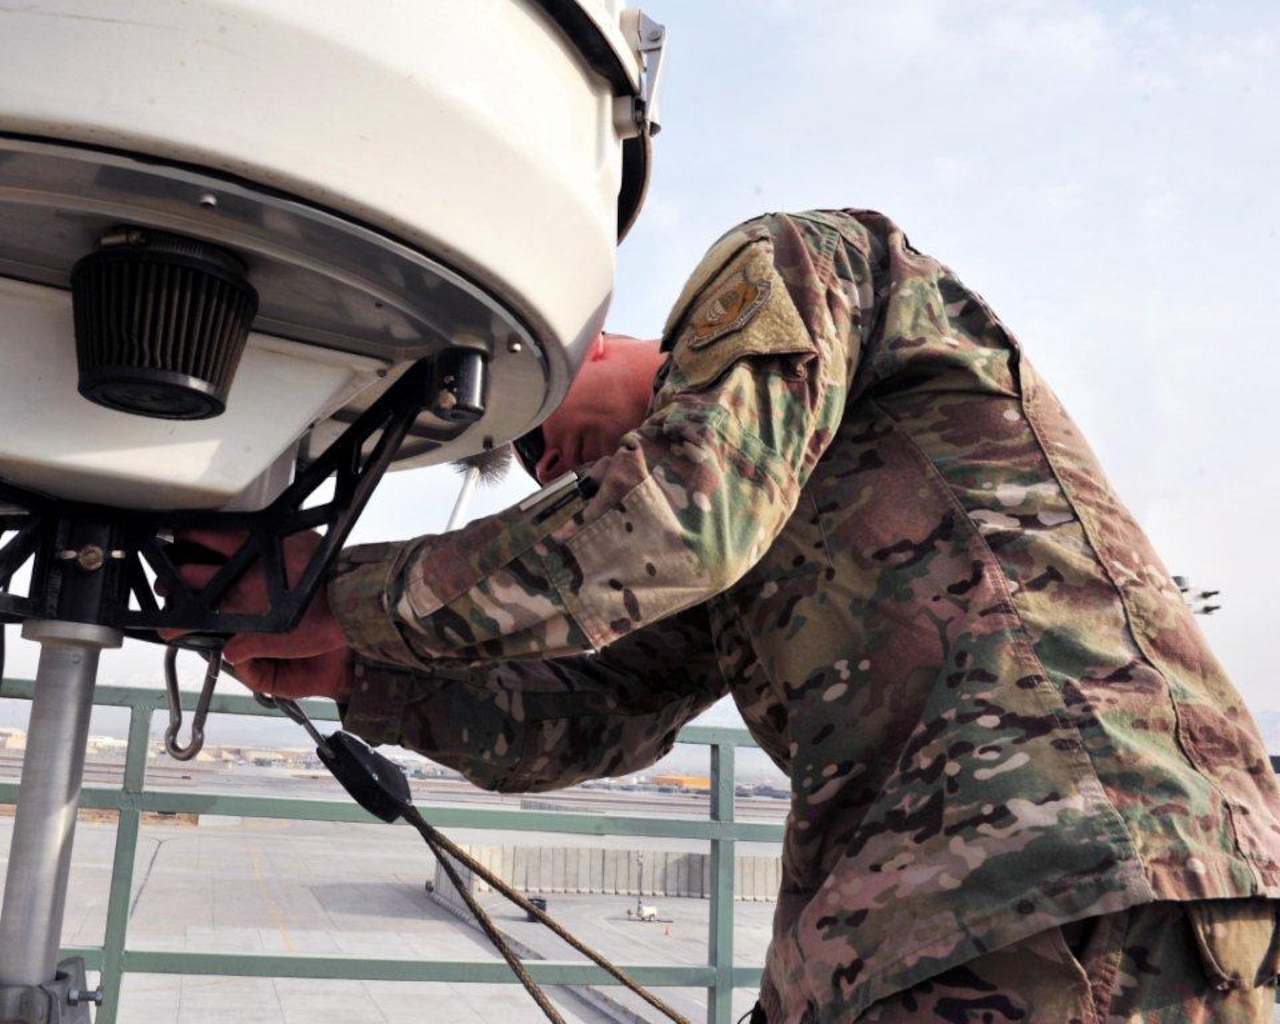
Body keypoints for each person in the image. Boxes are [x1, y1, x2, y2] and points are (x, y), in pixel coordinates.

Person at [177, 209, 1280, 1023]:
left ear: (585, 341)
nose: (530, 465)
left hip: (1079, 880)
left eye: (521, 423)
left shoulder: (789, 264)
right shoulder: (728, 519)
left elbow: (679, 517)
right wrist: (352, 668)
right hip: (914, 930)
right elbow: (595, 715)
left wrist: (354, 592)